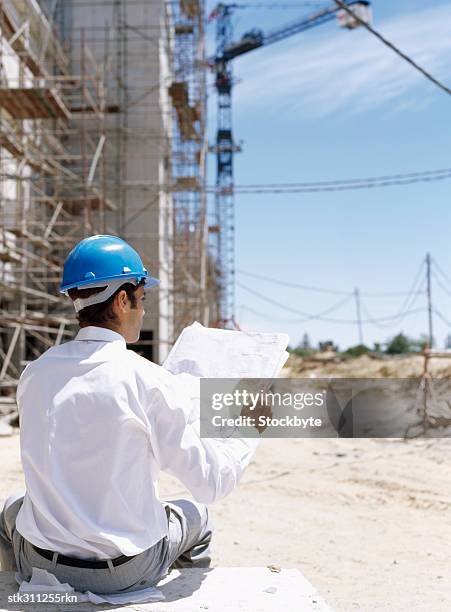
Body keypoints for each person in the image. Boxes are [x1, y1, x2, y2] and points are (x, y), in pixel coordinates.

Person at [0, 235, 261, 595]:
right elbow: (212, 483)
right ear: (123, 300)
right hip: (122, 571)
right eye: (142, 299)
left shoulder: (35, 373)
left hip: (42, 561)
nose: (144, 310)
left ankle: (35, 594)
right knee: (197, 516)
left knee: (9, 509)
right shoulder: (147, 379)